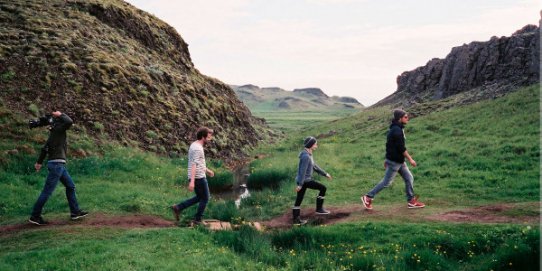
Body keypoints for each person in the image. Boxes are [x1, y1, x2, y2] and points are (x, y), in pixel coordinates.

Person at [29, 111, 88, 225]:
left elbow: (45, 148)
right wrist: (60, 114)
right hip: (57, 165)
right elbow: (69, 121)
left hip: (57, 165)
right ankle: (35, 216)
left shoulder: (53, 132)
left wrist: (39, 162)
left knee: (70, 186)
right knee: (47, 191)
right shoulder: (58, 130)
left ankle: (75, 212)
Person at [361, 109, 425, 210]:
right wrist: (411, 159)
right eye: (405, 117)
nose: (408, 118)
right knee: (386, 182)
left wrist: (387, 159)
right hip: (395, 162)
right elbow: (401, 148)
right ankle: (368, 197)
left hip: (399, 161)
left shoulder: (397, 128)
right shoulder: (396, 130)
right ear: (400, 118)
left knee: (409, 178)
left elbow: (389, 145)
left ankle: (411, 201)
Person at [171, 127, 215, 225]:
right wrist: (192, 182)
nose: (209, 140)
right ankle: (197, 220)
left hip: (198, 175)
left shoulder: (194, 145)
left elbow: (198, 162)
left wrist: (208, 171)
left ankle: (178, 207)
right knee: (206, 198)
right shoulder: (198, 149)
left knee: (200, 197)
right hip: (198, 177)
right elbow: (194, 165)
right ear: (203, 137)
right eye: (208, 138)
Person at [292, 136, 333, 225]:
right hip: (305, 181)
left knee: (299, 199)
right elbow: (302, 171)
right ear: (311, 145)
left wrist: (325, 174)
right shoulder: (306, 156)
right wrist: (300, 184)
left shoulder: (308, 154)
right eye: (315, 144)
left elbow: (314, 166)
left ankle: (296, 219)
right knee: (323, 188)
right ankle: (319, 209)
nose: (316, 146)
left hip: (303, 181)